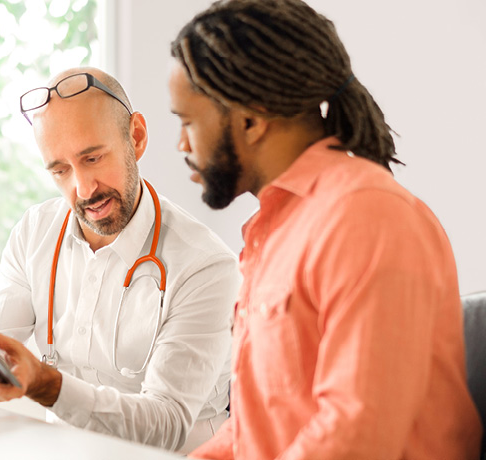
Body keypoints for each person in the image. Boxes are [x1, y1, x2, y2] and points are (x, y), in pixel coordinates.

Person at [167, 0, 482, 459]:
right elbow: (259, 431)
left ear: (251, 120)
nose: (181, 145)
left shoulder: (366, 217)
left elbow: (358, 436)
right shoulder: (275, 230)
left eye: (187, 123)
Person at [0, 66, 240, 452]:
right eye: (60, 170)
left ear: (136, 137)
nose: (83, 189)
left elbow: (167, 424)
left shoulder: (206, 266)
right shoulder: (34, 233)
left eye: (92, 158)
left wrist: (45, 383)